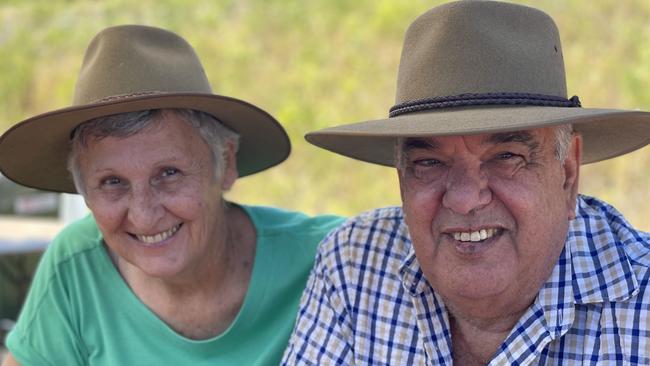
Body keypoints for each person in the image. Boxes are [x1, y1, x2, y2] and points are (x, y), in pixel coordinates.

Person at [283, 1, 649, 365]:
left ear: (568, 174)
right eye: (428, 162)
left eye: (506, 157)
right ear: (400, 178)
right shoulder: (355, 264)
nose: (464, 199)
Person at [0, 25, 343, 366]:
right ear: (83, 191)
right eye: (112, 182)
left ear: (225, 162)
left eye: (169, 174)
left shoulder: (334, 261)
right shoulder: (77, 266)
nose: (144, 216)